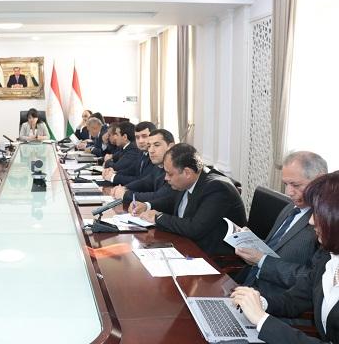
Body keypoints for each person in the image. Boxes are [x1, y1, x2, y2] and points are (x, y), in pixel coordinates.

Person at [231, 171, 339, 343]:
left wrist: (262, 320)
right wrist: (261, 303)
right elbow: (295, 299)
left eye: (318, 213)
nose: (311, 221)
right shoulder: (326, 256)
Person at [234, 151, 326, 298]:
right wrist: (250, 241)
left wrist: (261, 260)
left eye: (295, 185)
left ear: (319, 180)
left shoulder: (325, 222)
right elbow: (276, 247)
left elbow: (311, 278)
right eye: (286, 184)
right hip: (245, 285)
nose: (289, 192)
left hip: (276, 300)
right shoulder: (291, 207)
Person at [138, 143, 247, 256]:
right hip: (188, 245)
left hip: (213, 256)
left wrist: (158, 217)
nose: (166, 178)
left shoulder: (217, 188)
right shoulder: (191, 180)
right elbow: (172, 201)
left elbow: (195, 228)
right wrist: (147, 206)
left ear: (187, 173)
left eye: (169, 174)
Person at [111, 128, 175, 204]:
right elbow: (145, 182)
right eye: (149, 146)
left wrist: (125, 195)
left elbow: (159, 196)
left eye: (156, 145)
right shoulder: (159, 166)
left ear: (170, 147)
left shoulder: (175, 168)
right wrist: (124, 188)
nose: (151, 150)